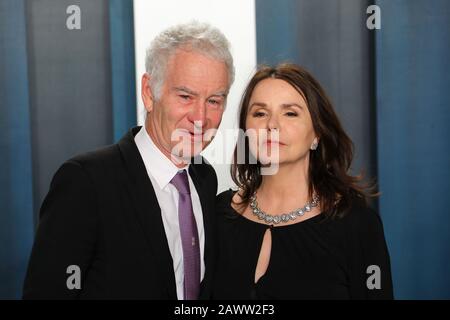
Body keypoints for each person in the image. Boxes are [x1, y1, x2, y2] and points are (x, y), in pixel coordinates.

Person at [23, 21, 234, 299]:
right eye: (185, 96)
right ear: (149, 92)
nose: (200, 117)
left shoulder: (204, 177)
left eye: (214, 101)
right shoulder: (86, 182)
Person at [213, 63, 393, 299]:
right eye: (260, 113)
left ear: (317, 133)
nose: (272, 125)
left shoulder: (356, 225)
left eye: (290, 113)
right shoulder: (217, 214)